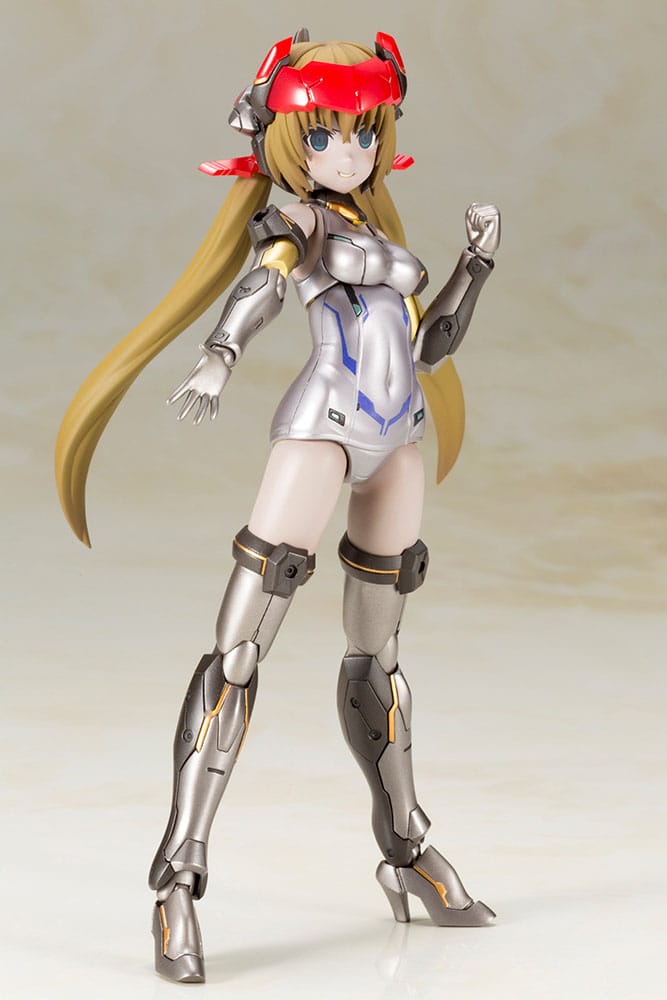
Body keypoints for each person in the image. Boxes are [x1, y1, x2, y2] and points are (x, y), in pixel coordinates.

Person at [55, 29, 501, 984]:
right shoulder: (295, 222)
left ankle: (405, 848)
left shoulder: (378, 232)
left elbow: (429, 346)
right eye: (328, 134)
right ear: (291, 139)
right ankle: (177, 879)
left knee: (377, 654)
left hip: (397, 435)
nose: (350, 152)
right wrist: (219, 354)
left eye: (366, 133)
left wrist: (474, 264)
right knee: (240, 650)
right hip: (324, 427)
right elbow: (261, 286)